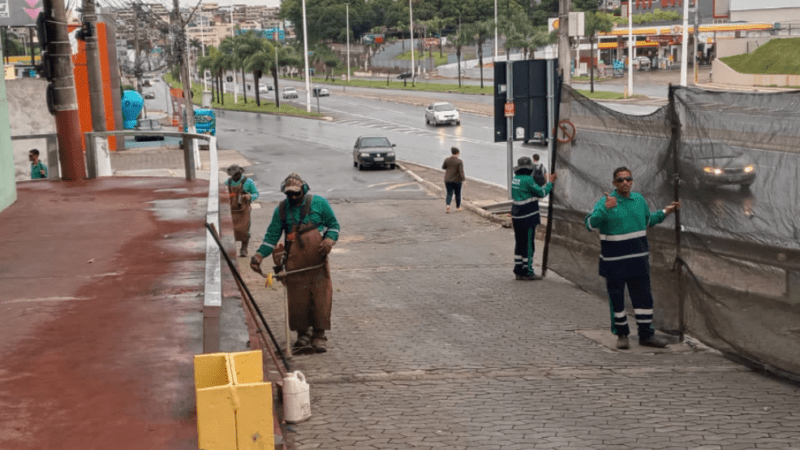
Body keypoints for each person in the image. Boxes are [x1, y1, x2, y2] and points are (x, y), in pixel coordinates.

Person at [585, 167, 680, 350]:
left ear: (632, 181)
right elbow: (589, 224)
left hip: (638, 261)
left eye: (628, 179)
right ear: (614, 183)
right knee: (617, 300)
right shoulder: (606, 202)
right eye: (620, 180)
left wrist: (666, 211)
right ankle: (622, 335)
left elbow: (648, 221)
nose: (625, 183)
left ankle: (646, 335)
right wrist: (604, 210)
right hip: (614, 264)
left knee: (644, 299)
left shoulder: (639, 200)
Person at [250, 173, 340, 354]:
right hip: (294, 262)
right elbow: (271, 236)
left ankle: (319, 335)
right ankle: (302, 334)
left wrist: (329, 240)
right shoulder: (282, 210)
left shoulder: (320, 203)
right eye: (288, 194)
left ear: (304, 190)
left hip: (317, 261)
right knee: (298, 299)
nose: (292, 197)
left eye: (295, 194)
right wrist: (259, 255)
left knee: (320, 297)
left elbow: (334, 226)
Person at [511, 156, 556, 281]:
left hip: (516, 215)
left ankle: (518, 269)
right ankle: (528, 271)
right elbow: (542, 193)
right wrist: (550, 183)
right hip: (528, 216)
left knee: (519, 243)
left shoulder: (516, 179)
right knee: (529, 244)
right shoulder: (528, 180)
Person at [224, 164, 259, 257]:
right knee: (231, 230)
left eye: (235, 175)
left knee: (244, 230)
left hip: (244, 210)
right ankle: (231, 248)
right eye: (232, 176)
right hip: (232, 209)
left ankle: (244, 249)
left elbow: (256, 193)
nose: (234, 177)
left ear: (240, 173)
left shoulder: (248, 182)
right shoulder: (228, 182)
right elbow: (222, 193)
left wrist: (250, 196)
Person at [441, 147, 465, 213]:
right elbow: (461, 171)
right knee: (457, 194)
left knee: (449, 193)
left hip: (447, 179)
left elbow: (443, 167)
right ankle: (458, 207)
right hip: (457, 180)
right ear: (457, 153)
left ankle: (448, 206)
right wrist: (464, 180)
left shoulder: (447, 160)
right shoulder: (459, 161)